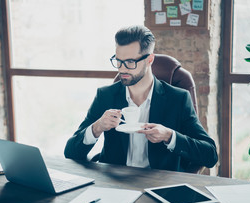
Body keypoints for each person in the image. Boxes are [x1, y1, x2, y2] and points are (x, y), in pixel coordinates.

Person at [64, 25, 218, 172]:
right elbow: (70, 152)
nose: (122, 68)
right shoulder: (105, 96)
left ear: (149, 60)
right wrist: (96, 128)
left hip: (158, 185)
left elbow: (210, 155)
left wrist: (169, 136)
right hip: (114, 182)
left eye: (130, 62)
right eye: (118, 61)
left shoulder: (177, 99)